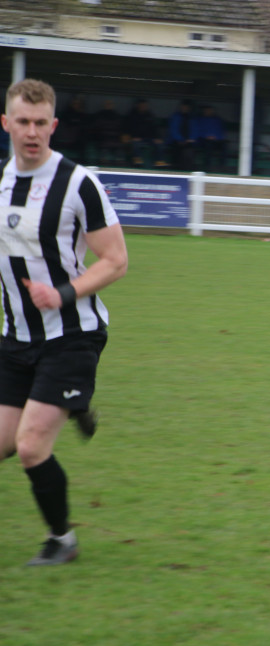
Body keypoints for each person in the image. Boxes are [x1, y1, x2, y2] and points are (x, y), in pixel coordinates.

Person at [0, 79, 128, 565]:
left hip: (72, 335)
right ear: (6, 123)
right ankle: (73, 405)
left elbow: (115, 260)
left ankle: (62, 542)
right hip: (15, 338)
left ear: (53, 126)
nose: (31, 132)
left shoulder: (79, 184)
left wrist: (63, 293)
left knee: (31, 445)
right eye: (22, 122)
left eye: (40, 124)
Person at [123, 98, 165, 168]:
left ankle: (159, 161)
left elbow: (155, 128)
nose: (143, 107)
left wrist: (157, 138)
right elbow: (129, 128)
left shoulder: (150, 115)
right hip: (137, 138)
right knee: (135, 143)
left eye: (145, 105)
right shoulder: (132, 115)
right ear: (138, 105)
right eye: (142, 105)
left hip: (149, 138)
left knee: (159, 144)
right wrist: (133, 136)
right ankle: (137, 160)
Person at [92, 99, 124, 166]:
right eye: (107, 104)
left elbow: (119, 126)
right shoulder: (100, 115)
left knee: (119, 149)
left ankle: (119, 163)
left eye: (110, 104)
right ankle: (103, 162)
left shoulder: (116, 115)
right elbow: (97, 126)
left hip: (115, 138)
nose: (109, 106)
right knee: (104, 147)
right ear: (104, 105)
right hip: (104, 137)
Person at [167, 99, 197, 171]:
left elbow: (195, 130)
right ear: (181, 107)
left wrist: (191, 139)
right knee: (176, 149)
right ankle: (175, 169)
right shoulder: (176, 116)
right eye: (184, 106)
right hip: (176, 141)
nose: (185, 108)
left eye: (187, 107)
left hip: (189, 142)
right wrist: (180, 139)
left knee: (189, 152)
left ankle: (187, 171)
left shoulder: (192, 118)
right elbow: (173, 130)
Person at [195, 104, 227, 172]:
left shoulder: (217, 120)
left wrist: (216, 137)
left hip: (216, 140)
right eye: (206, 110)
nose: (208, 112)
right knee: (208, 146)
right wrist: (206, 136)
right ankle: (207, 168)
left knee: (224, 146)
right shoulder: (199, 119)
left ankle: (222, 167)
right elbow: (197, 131)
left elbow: (221, 132)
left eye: (210, 110)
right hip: (203, 140)